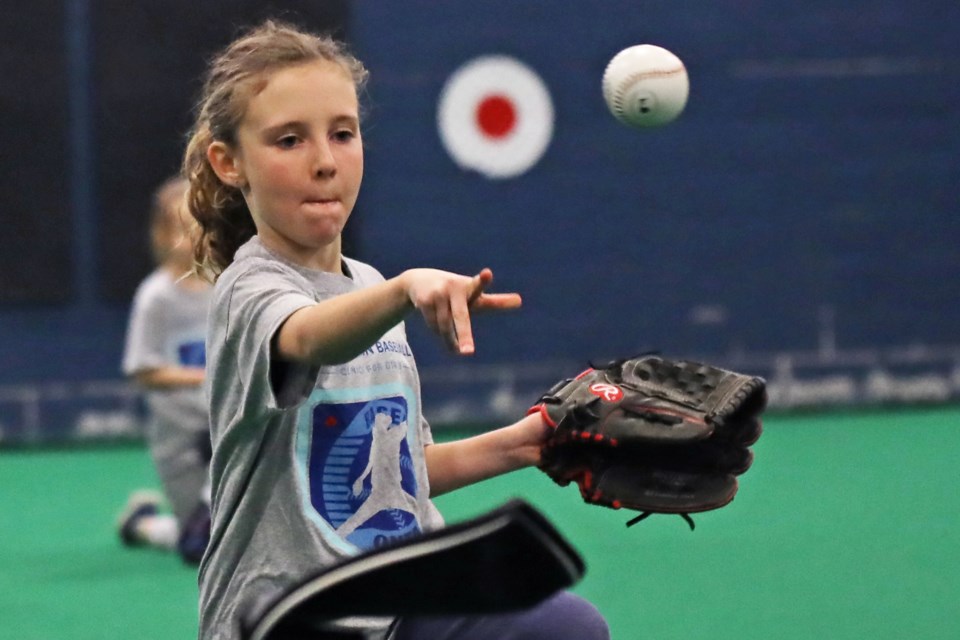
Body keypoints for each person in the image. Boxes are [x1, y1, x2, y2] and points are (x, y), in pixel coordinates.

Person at [182, 20, 610, 640]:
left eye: (342, 133)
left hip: (400, 600)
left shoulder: (368, 286)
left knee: (563, 627)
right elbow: (306, 336)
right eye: (289, 140)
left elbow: (401, 469)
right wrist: (405, 289)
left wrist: (528, 442)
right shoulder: (249, 291)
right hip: (290, 618)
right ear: (230, 163)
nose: (325, 162)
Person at [117, 175, 213, 565]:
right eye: (183, 229)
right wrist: (204, 377)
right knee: (197, 542)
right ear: (162, 233)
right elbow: (143, 371)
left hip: (224, 426)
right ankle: (142, 525)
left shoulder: (227, 285)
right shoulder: (154, 298)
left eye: (202, 227)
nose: (194, 239)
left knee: (234, 528)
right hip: (180, 436)